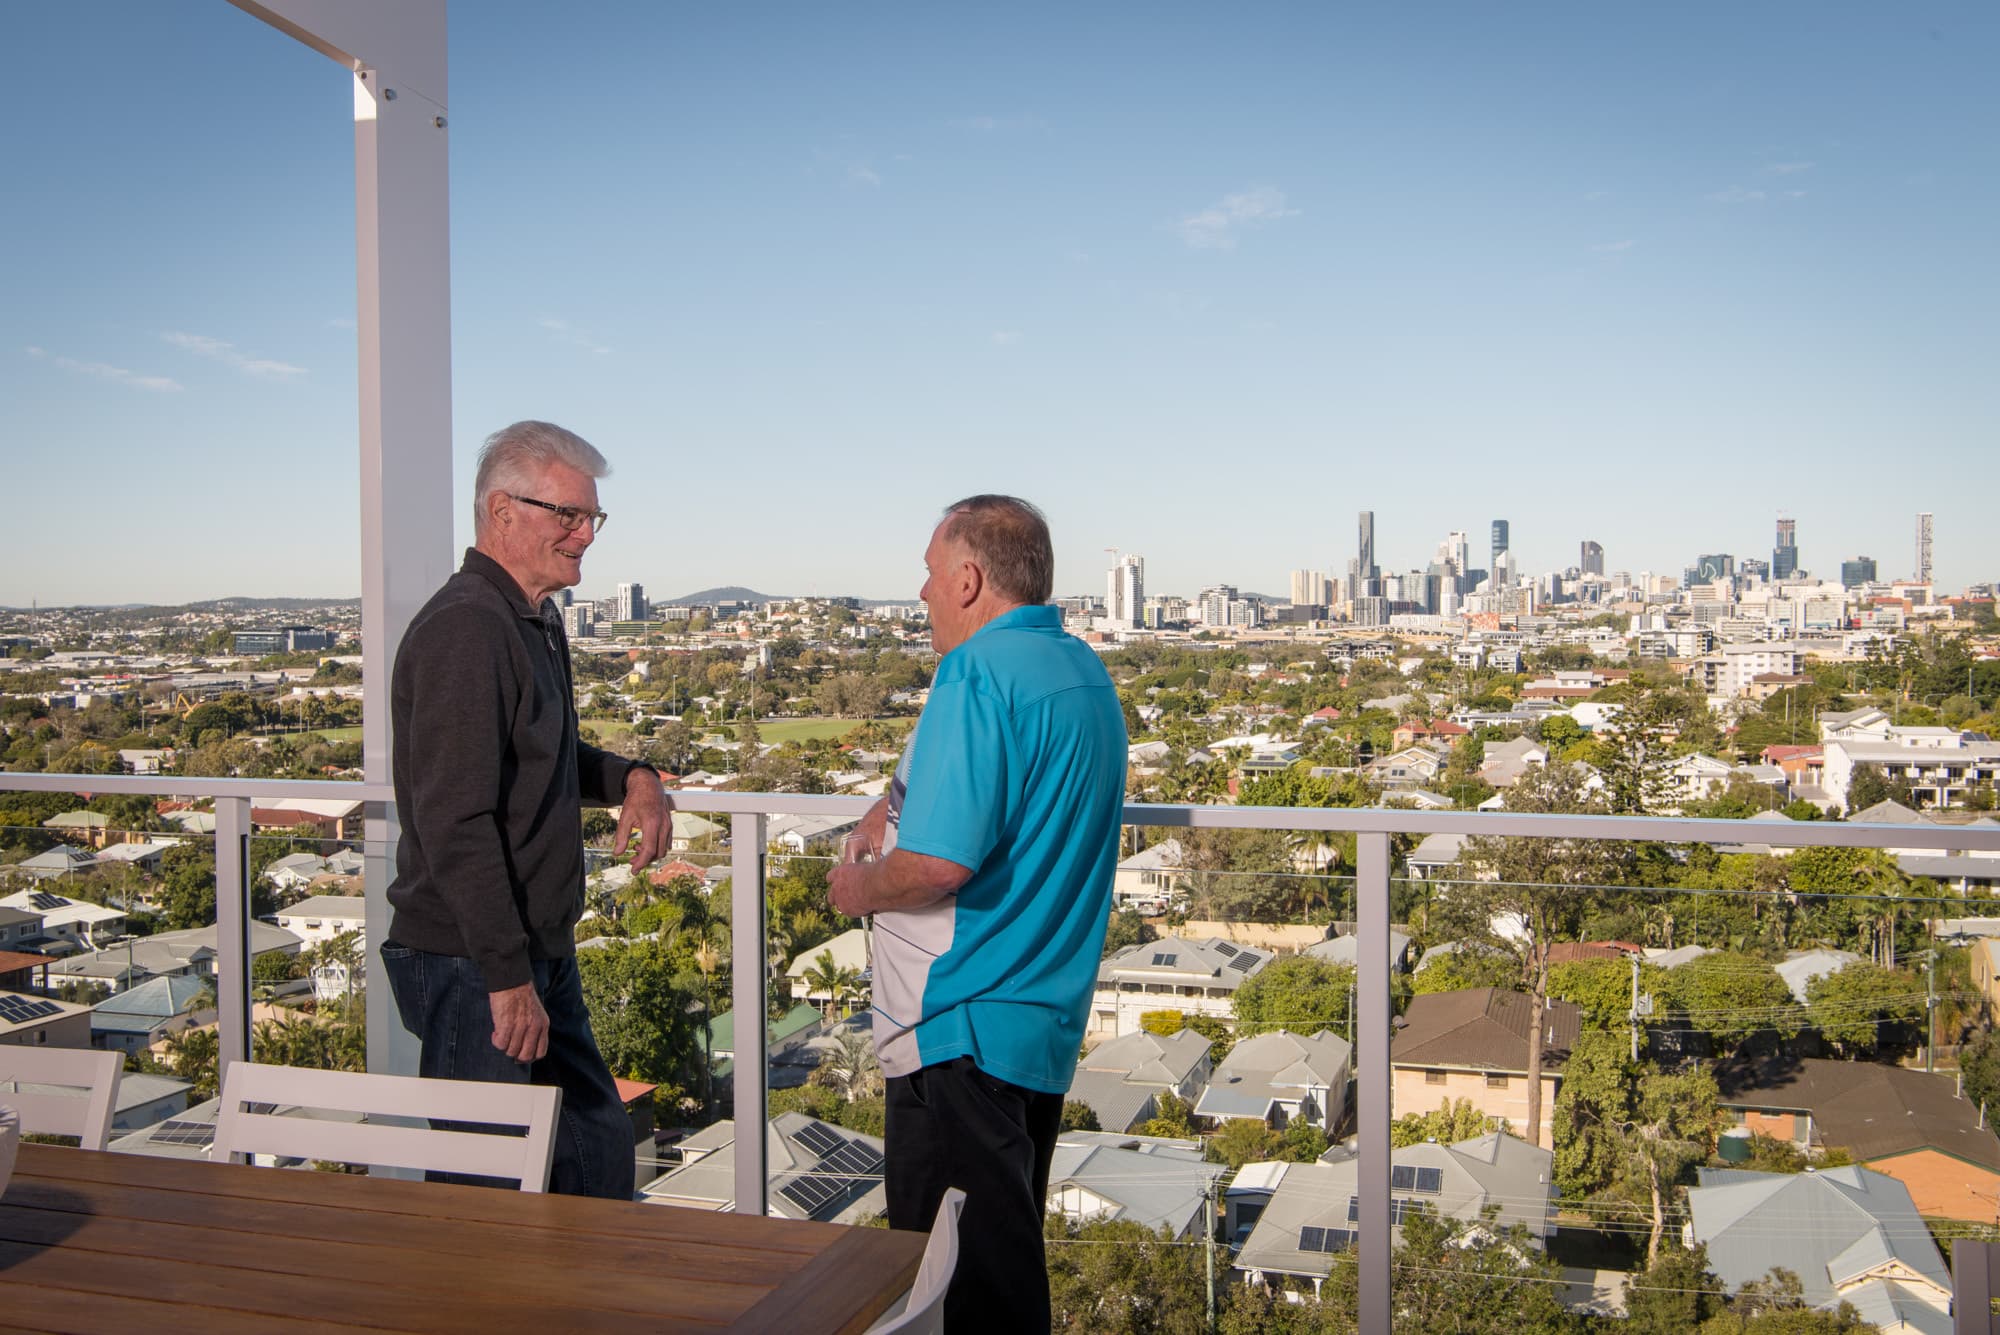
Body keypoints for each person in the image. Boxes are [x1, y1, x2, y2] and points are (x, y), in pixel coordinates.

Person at [826, 495, 1127, 1331]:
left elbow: (940, 863)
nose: (920, 594)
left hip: (958, 1030)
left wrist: (859, 886)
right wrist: (886, 809)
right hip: (1034, 1025)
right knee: (998, 1267)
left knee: (956, 1295)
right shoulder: (1077, 669)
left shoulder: (976, 673)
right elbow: (995, 799)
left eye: (928, 574)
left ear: (967, 578)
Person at [381, 419, 669, 1199]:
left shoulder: (530, 618)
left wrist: (632, 776)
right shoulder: (467, 628)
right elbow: (455, 821)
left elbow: (544, 759)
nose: (585, 537)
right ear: (501, 511)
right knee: (490, 1194)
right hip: (475, 961)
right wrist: (506, 978)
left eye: (591, 518)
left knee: (594, 1150)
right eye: (567, 515)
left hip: (530, 950)